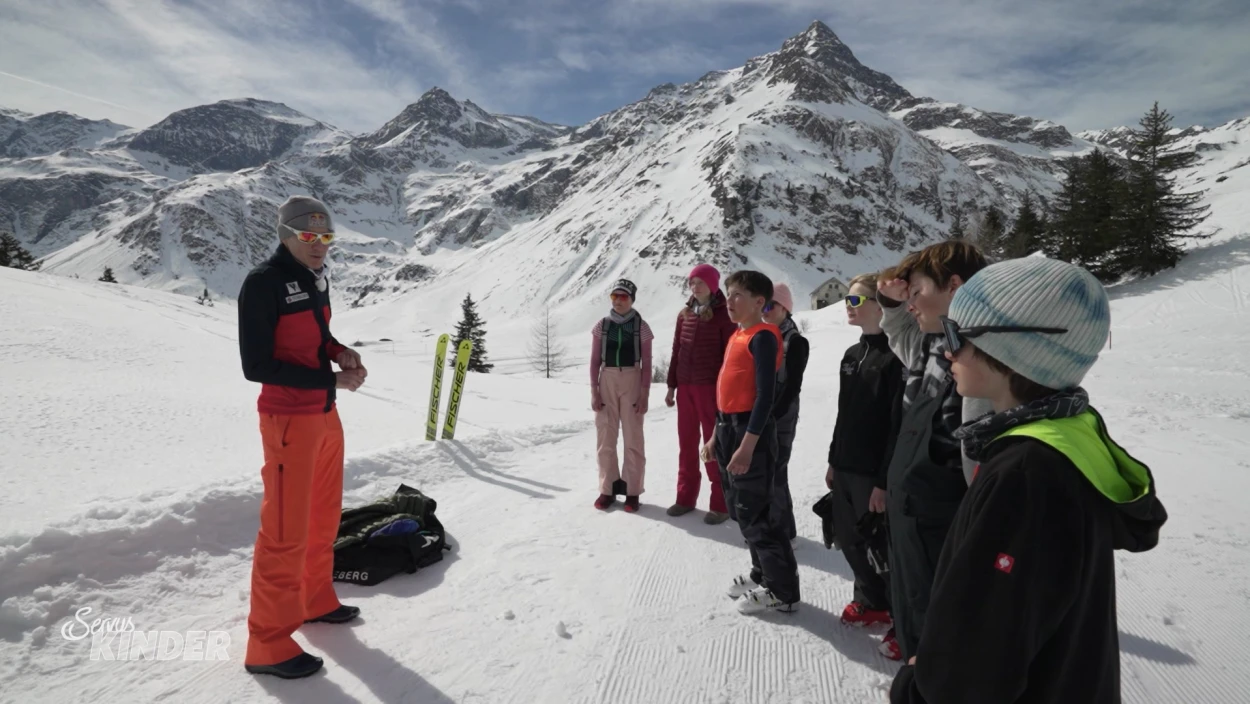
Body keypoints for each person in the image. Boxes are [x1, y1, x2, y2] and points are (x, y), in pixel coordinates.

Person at [890, 256, 1167, 704]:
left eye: (958, 335)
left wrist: (916, 687)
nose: (947, 350)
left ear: (1013, 349)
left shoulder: (1026, 474)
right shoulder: (1067, 436)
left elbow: (974, 669)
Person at [237, 196, 367, 679]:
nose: (319, 246)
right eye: (309, 237)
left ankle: (314, 598)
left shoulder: (313, 279)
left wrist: (340, 352)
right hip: (289, 419)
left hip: (323, 415)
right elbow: (257, 366)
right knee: (286, 528)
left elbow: (315, 340)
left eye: (326, 237)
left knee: (323, 514)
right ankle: (266, 643)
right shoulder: (263, 283)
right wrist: (331, 380)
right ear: (286, 235)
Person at [875, 240, 992, 661]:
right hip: (910, 511)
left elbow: (985, 459)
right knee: (910, 609)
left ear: (955, 287)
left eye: (919, 292)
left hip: (944, 518)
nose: (912, 305)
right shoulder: (930, 342)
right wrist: (892, 301)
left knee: (940, 627)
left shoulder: (985, 359)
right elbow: (900, 334)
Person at [710, 270, 801, 614]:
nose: (729, 301)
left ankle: (783, 591)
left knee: (759, 515)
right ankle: (762, 574)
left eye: (737, 295)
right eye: (728, 293)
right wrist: (715, 435)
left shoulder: (762, 336)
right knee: (743, 513)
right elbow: (726, 392)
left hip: (751, 432)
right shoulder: (739, 334)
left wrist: (747, 445)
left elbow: (764, 397)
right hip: (729, 428)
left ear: (759, 302)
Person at [825, 273, 906, 659]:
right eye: (848, 300)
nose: (848, 306)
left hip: (874, 472)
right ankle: (871, 600)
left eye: (856, 301)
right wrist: (832, 459)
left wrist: (883, 480)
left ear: (879, 305)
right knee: (849, 537)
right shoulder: (852, 355)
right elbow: (844, 414)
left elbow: (897, 425)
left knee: (884, 549)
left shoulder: (896, 358)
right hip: (845, 466)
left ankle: (904, 621)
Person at [665, 263, 738, 523]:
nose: (695, 287)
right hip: (685, 387)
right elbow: (677, 351)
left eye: (700, 282)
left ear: (713, 285)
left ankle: (720, 503)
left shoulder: (724, 315)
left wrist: (724, 392)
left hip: (710, 388)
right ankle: (685, 498)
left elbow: (728, 357)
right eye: (692, 283)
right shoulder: (684, 314)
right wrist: (671, 385)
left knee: (713, 444)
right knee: (686, 444)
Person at [590, 279, 654, 512]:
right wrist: (594, 390)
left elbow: (647, 362)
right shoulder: (602, 325)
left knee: (633, 437)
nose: (617, 301)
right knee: (605, 435)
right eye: (614, 296)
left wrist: (645, 393)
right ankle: (607, 489)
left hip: (632, 378)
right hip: (606, 377)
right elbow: (595, 360)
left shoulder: (641, 326)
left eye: (623, 297)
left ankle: (632, 491)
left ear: (632, 300)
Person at [762, 283, 807, 543]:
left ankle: (784, 530)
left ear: (785, 308)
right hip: (763, 415)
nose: (765, 311)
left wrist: (774, 414)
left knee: (777, 470)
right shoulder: (764, 334)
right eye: (763, 305)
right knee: (766, 470)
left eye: (770, 306)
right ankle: (773, 525)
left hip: (782, 416)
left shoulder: (795, 341)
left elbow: (793, 386)